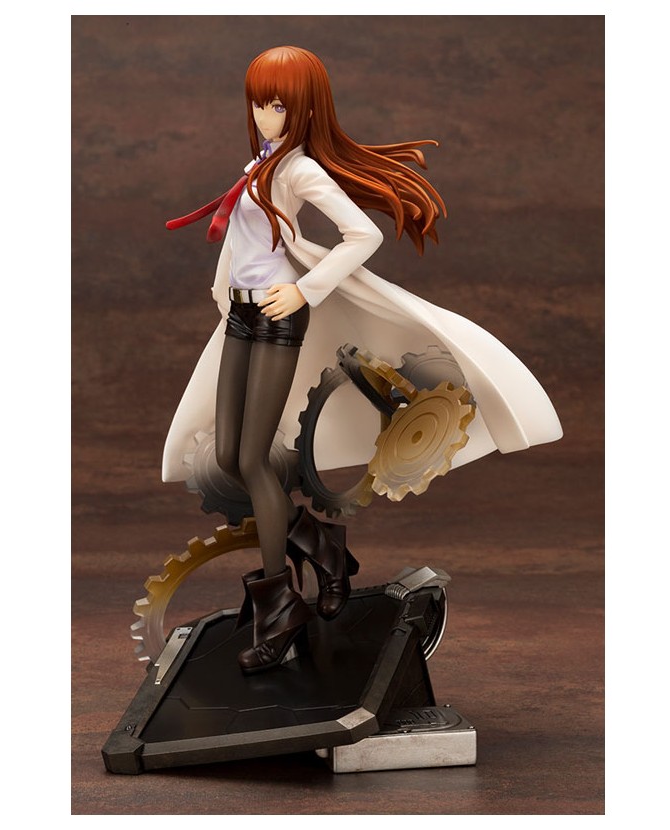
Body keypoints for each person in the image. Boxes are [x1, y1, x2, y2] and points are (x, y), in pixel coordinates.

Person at [163, 45, 562, 674]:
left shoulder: (298, 171)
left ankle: (280, 610)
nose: (265, 116)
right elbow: (244, 239)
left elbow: (364, 235)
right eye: (258, 104)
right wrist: (223, 292)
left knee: (254, 461)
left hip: (276, 316)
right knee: (232, 457)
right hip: (241, 315)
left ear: (305, 109)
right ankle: (321, 545)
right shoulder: (260, 165)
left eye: (278, 105)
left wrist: (305, 289)